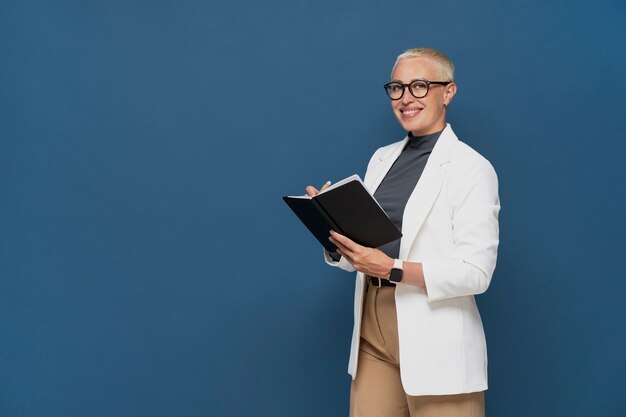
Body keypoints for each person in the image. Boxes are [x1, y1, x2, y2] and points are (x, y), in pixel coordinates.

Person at [306, 48, 500, 417]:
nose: (406, 98)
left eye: (419, 85)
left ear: (448, 92)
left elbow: (476, 272)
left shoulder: (471, 168)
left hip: (435, 332)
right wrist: (331, 229)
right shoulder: (382, 158)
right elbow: (369, 249)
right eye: (396, 87)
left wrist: (392, 268)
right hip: (371, 328)